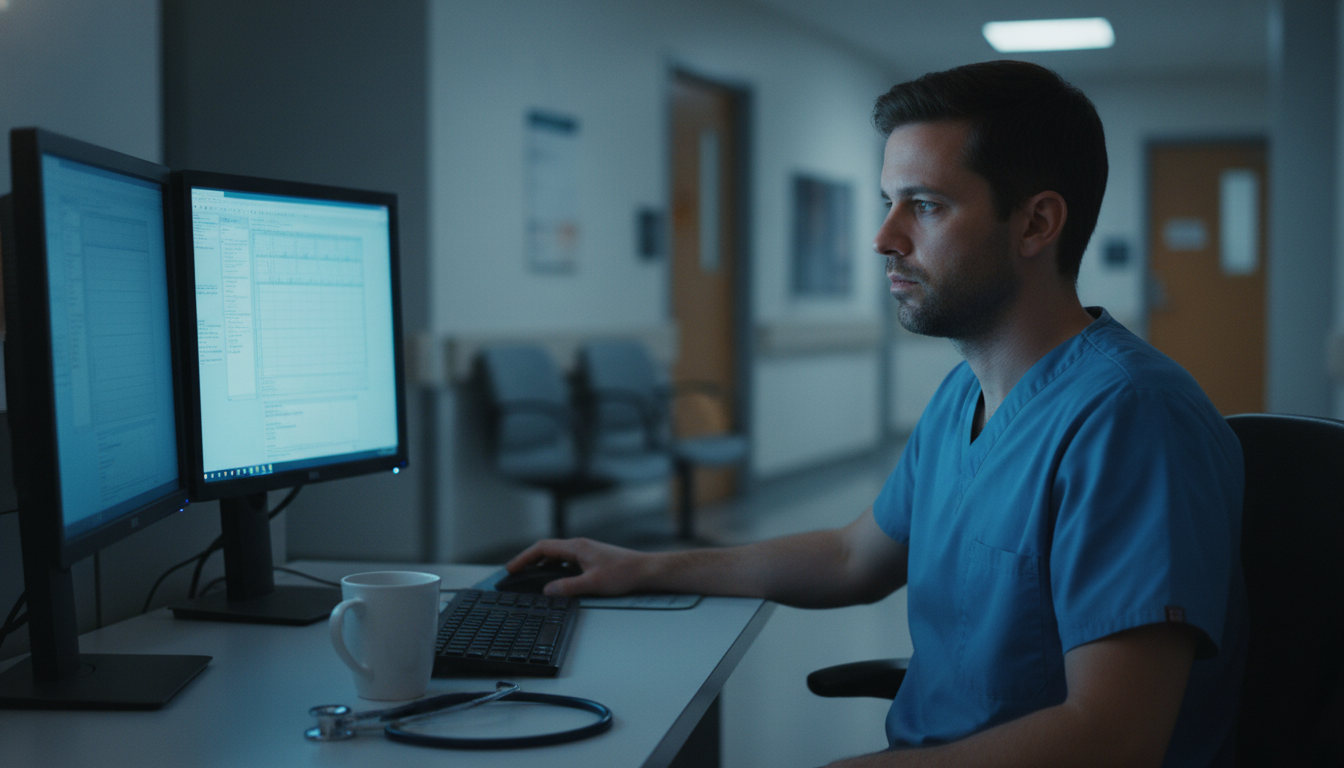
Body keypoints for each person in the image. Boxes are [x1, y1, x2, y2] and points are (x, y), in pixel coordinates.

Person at [508, 60, 1245, 768]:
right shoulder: (964, 394)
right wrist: (646, 568)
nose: (884, 238)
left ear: (1036, 224)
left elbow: (1114, 740)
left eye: (924, 206)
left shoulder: (1131, 419)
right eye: (887, 203)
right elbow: (851, 558)